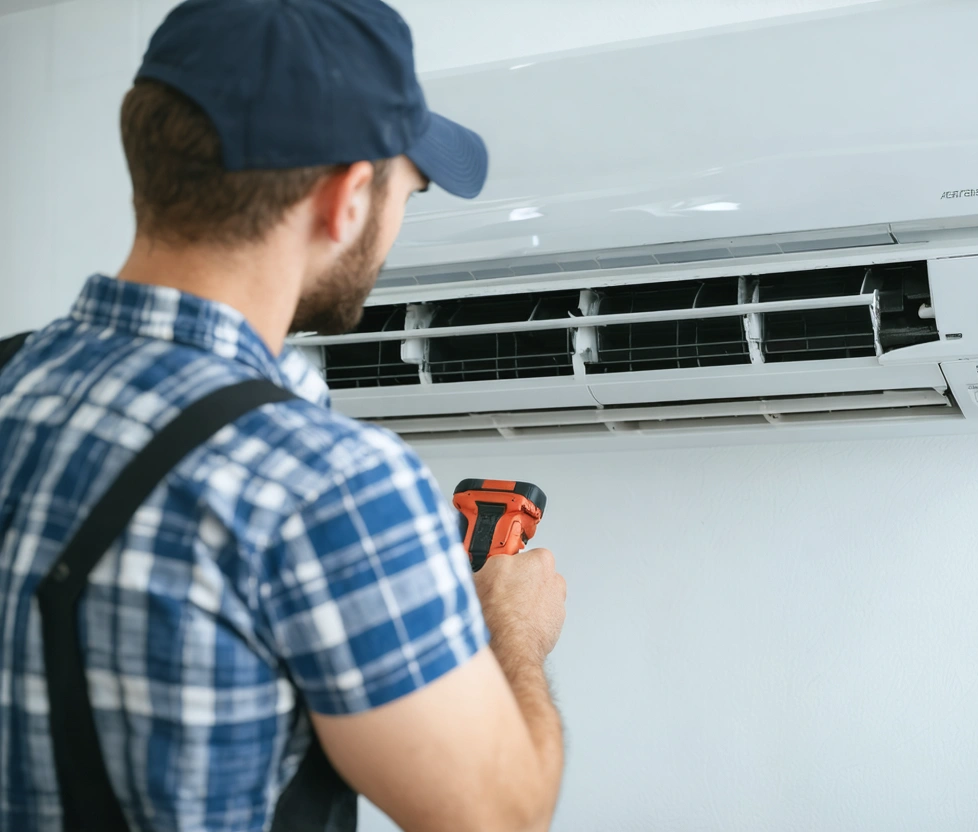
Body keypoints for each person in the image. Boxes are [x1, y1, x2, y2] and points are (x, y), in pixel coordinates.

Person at [0, 0, 567, 830]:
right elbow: (502, 817)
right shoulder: (330, 485)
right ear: (346, 200)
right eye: (409, 191)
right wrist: (509, 628)